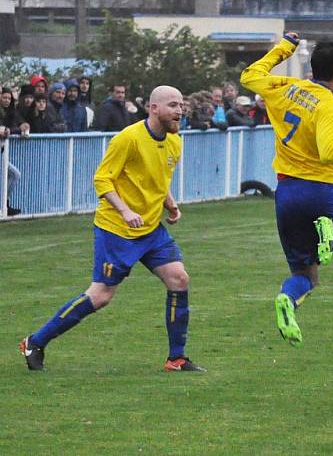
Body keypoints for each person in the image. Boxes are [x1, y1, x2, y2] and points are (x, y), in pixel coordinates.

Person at [19, 85, 205, 373]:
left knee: (179, 279)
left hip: (150, 230)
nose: (179, 110)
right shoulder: (128, 139)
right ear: (153, 108)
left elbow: (158, 179)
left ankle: (176, 359)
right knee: (101, 296)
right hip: (116, 229)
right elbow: (103, 180)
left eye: (181, 105)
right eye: (172, 105)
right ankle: (35, 341)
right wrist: (126, 210)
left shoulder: (174, 142)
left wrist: (171, 204)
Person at [240, 32, 333, 346]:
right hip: (321, 191)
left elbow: (249, 75)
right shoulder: (331, 107)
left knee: (306, 276)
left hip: (286, 195)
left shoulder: (286, 88)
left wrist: (284, 47)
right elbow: (329, 152)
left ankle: (287, 301)